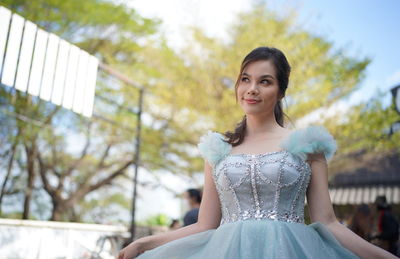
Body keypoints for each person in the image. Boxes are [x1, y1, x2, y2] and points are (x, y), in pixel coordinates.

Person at [118, 47, 398, 259]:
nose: (251, 89)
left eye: (265, 81)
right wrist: (145, 243)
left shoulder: (307, 145)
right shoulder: (218, 149)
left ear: (280, 91)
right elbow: (205, 224)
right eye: (245, 79)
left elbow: (327, 221)